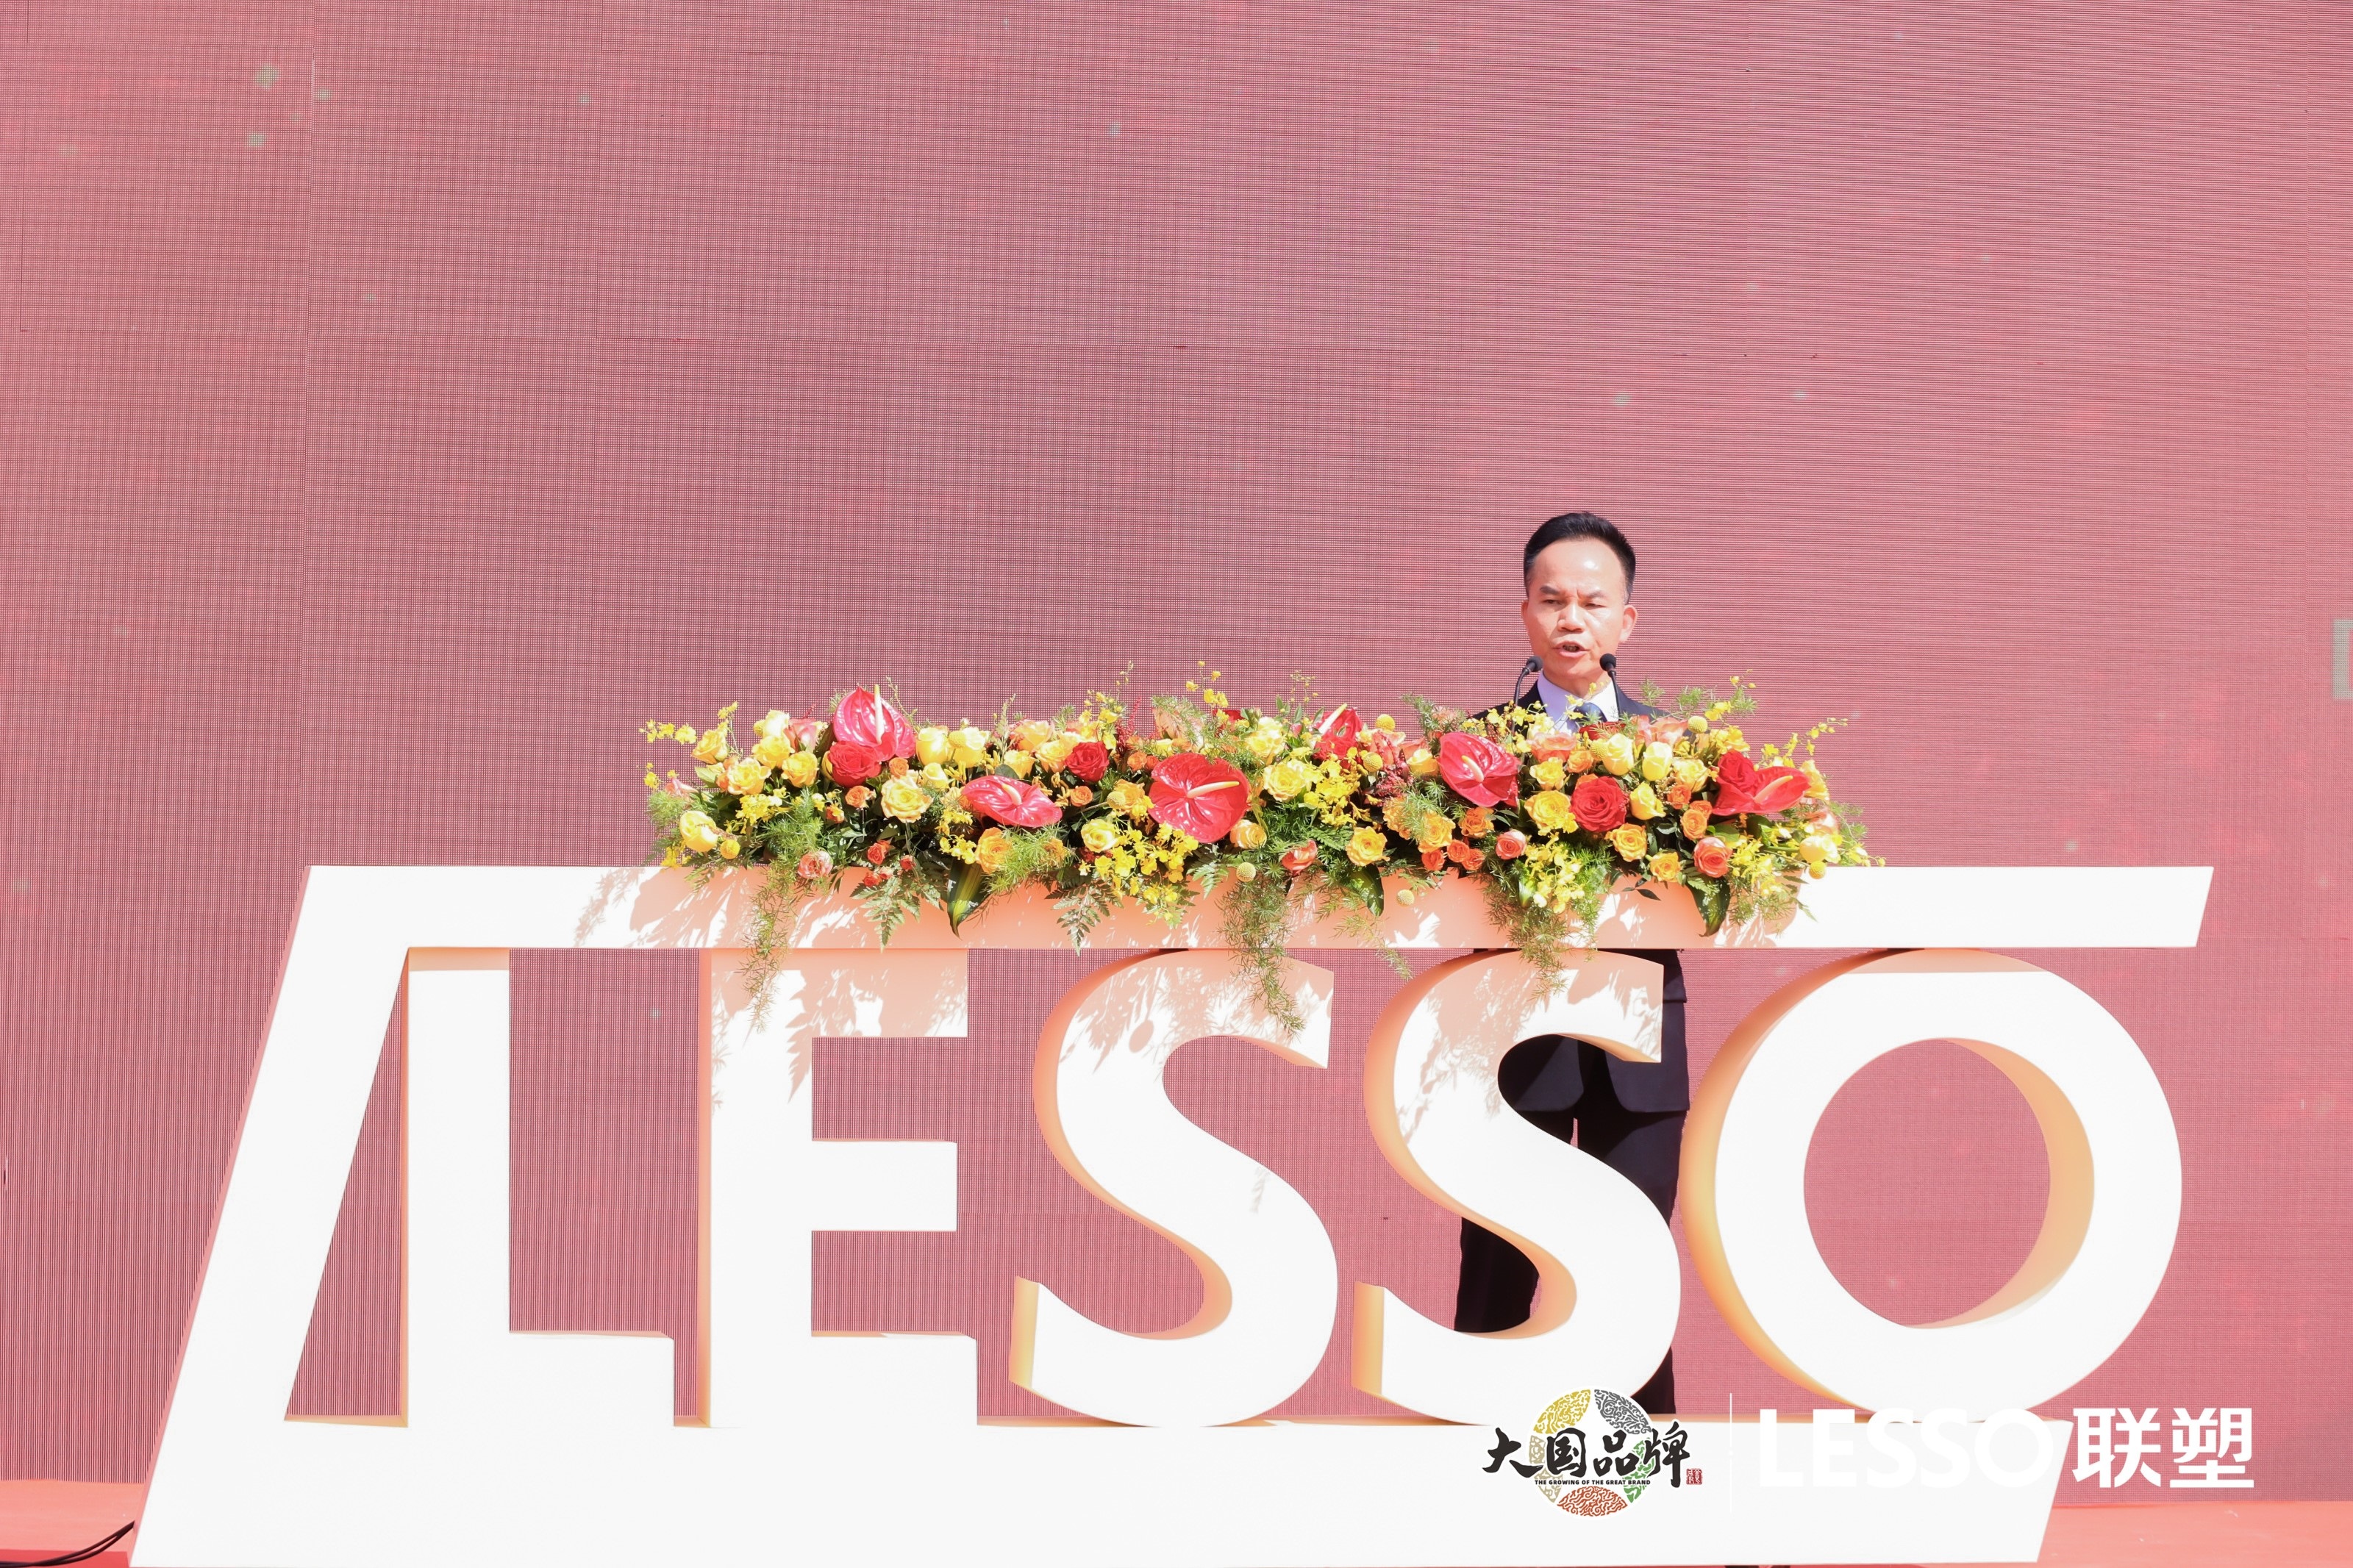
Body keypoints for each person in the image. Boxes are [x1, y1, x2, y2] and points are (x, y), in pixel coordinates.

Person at [1453, 511, 1687, 1419]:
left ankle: (1639, 1457)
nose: (1570, 620)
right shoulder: (1469, 754)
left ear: (1626, 620)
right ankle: (1475, 1454)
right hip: (1517, 1039)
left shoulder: (1681, 751)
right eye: (1552, 601)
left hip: (1638, 1047)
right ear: (1525, 613)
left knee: (1634, 1264)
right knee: (1497, 1261)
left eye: (1592, 602)